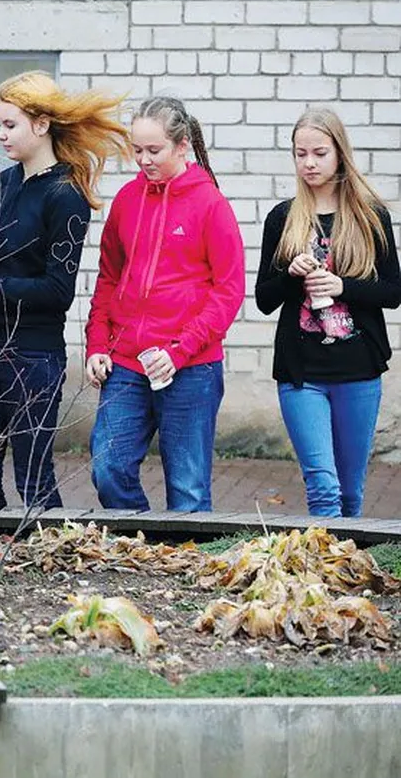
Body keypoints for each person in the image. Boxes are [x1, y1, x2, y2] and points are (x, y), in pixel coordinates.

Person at [0, 72, 129, 510]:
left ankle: (51, 562)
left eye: (10, 125)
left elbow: (57, 290)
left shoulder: (65, 194)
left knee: (33, 478)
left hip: (34, 356)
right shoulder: (5, 184)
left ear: (41, 125)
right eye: (0, 125)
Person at [84, 96, 245, 512]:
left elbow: (228, 293)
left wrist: (179, 351)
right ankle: (149, 549)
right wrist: (98, 344)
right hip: (127, 363)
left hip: (191, 368)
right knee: (108, 468)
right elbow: (108, 280)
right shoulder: (126, 201)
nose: (143, 160)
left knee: (188, 491)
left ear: (181, 146)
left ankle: (183, 571)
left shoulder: (211, 205)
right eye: (137, 150)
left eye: (153, 150)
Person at [256, 108, 401, 517]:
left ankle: (344, 574)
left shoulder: (371, 216)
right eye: (300, 154)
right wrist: (291, 275)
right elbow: (264, 299)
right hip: (302, 375)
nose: (309, 163)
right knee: (323, 486)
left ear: (339, 153)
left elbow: (393, 291)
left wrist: (344, 287)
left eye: (319, 153)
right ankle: (321, 578)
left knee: (351, 493)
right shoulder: (283, 218)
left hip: (359, 371)